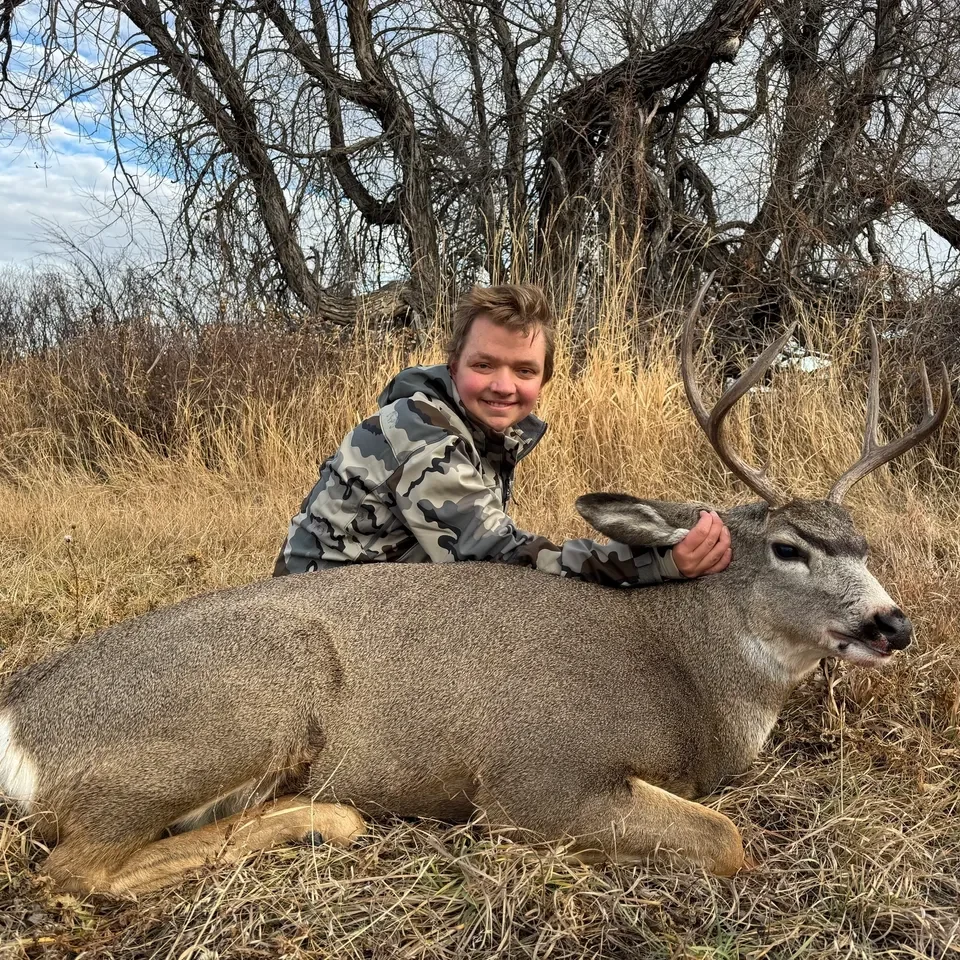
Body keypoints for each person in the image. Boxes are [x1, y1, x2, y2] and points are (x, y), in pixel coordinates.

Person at [273, 284, 731, 584]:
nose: (503, 386)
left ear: (543, 380)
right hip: (325, 616)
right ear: (454, 366)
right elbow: (498, 564)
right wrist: (658, 563)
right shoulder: (420, 431)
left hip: (386, 596)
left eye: (524, 370)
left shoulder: (479, 431)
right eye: (484, 364)